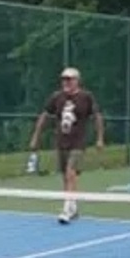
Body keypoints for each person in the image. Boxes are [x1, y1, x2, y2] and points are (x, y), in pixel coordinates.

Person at [28, 67, 104, 224]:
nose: (66, 82)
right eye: (64, 79)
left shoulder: (86, 97)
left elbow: (97, 117)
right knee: (65, 176)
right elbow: (44, 116)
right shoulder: (57, 97)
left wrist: (100, 138)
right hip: (61, 143)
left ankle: (67, 208)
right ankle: (73, 206)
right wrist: (36, 136)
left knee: (71, 172)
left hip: (78, 143)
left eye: (69, 79)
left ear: (77, 81)